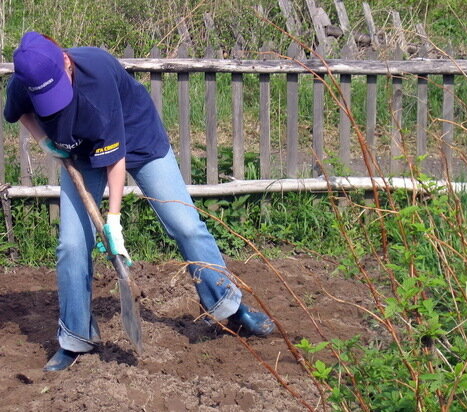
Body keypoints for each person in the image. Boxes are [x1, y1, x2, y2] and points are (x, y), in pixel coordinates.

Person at [4, 32, 274, 372]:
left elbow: (116, 159)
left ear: (67, 62)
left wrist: (113, 221)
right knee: (71, 244)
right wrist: (44, 141)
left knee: (184, 224)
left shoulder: (97, 75)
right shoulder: (24, 81)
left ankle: (230, 308)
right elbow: (19, 113)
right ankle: (74, 338)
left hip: (136, 136)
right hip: (78, 153)